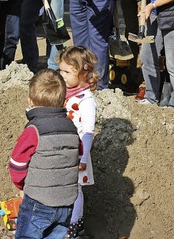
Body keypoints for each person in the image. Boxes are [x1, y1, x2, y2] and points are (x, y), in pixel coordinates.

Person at [8, 69, 80, 239]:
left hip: (38, 202)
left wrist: (21, 186)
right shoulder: (72, 128)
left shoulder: (34, 130)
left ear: (30, 101)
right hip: (66, 203)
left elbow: (16, 165)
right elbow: (78, 153)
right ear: (64, 103)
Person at [57, 46, 99, 238]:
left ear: (83, 73)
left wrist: (83, 157)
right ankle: (62, 221)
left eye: (67, 71)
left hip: (78, 152)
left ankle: (74, 225)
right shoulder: (65, 94)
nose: (62, 75)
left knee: (75, 189)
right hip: (61, 150)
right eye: (61, 70)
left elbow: (88, 131)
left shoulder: (86, 100)